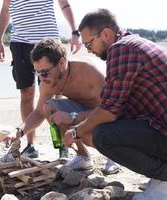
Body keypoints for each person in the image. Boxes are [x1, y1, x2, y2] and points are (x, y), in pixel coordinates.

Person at [63, 9, 167, 200]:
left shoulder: (121, 49)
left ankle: (164, 180)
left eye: (88, 43)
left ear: (106, 34)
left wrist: (77, 131)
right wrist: (77, 120)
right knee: (114, 122)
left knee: (103, 135)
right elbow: (114, 106)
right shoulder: (133, 43)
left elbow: (109, 111)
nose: (88, 50)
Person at [7, 38, 119, 173]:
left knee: (94, 134)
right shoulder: (48, 80)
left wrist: (74, 118)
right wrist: (19, 131)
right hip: (84, 112)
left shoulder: (91, 73)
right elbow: (39, 112)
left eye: (44, 72)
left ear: (61, 62)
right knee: (49, 107)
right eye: (37, 72)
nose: (41, 78)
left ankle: (113, 156)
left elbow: (111, 111)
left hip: (109, 116)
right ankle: (83, 156)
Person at [0, 0, 81, 158]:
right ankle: (31, 145)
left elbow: (64, 4)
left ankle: (62, 145)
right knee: (26, 95)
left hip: (48, 42)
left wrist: (75, 32)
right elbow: (6, 10)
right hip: (20, 43)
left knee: (55, 98)